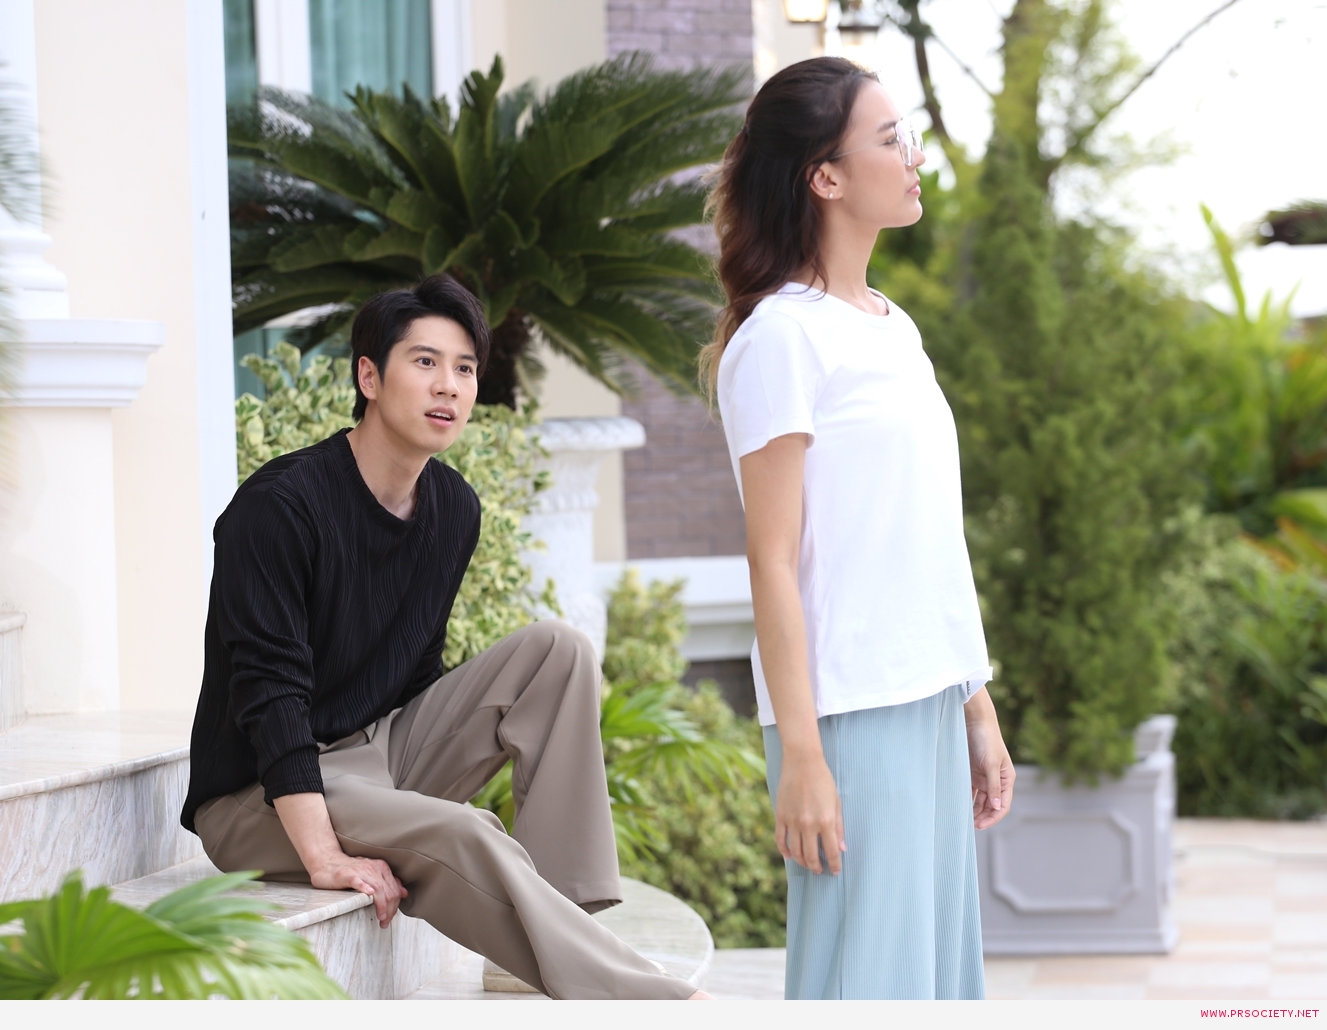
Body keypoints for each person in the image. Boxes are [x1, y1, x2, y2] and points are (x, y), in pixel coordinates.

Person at [182, 274, 703, 1000]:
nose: (448, 386)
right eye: (424, 362)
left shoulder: (453, 507)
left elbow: (417, 670)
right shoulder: (279, 508)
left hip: (374, 758)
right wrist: (325, 852)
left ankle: (560, 924)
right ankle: (658, 1003)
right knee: (470, 831)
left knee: (558, 653)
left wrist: (411, 789)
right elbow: (270, 697)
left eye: (464, 368)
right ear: (369, 377)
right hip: (259, 798)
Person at [702, 58, 1017, 1000]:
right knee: (869, 986)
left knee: (937, 984)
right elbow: (771, 560)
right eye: (890, 139)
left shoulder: (892, 326)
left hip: (927, 695)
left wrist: (975, 705)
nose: (913, 157)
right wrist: (801, 755)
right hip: (848, 712)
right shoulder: (779, 338)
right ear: (825, 177)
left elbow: (928, 539)